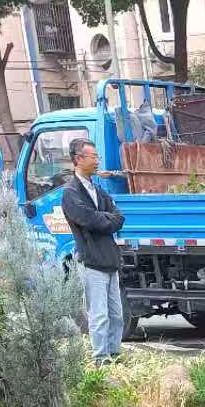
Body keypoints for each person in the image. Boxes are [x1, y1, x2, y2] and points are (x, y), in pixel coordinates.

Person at [61, 139, 127, 364]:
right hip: (92, 262)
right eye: (93, 156)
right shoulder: (71, 193)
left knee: (116, 315)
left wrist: (105, 219)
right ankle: (101, 359)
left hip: (109, 259)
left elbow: (119, 218)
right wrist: (106, 219)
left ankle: (115, 354)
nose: (98, 160)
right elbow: (90, 220)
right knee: (99, 315)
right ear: (78, 159)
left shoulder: (96, 189)